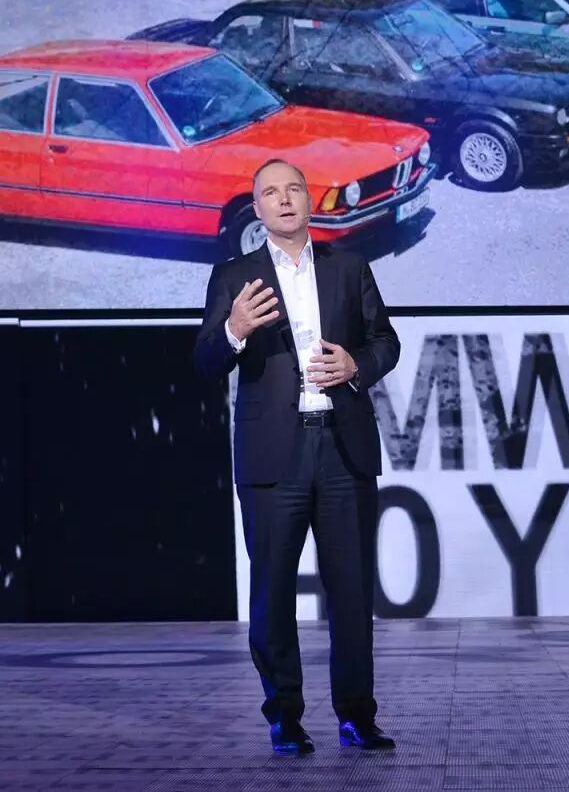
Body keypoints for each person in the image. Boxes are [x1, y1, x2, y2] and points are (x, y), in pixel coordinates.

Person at [194, 158, 401, 756]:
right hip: (272, 455)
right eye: (270, 193)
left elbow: (385, 340)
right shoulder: (235, 276)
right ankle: (284, 716)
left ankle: (357, 716)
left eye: (293, 190)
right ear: (257, 208)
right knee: (272, 591)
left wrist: (357, 365)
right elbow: (205, 360)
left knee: (352, 591)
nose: (284, 200)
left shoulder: (349, 266)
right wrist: (233, 330)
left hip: (342, 448)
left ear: (310, 201)